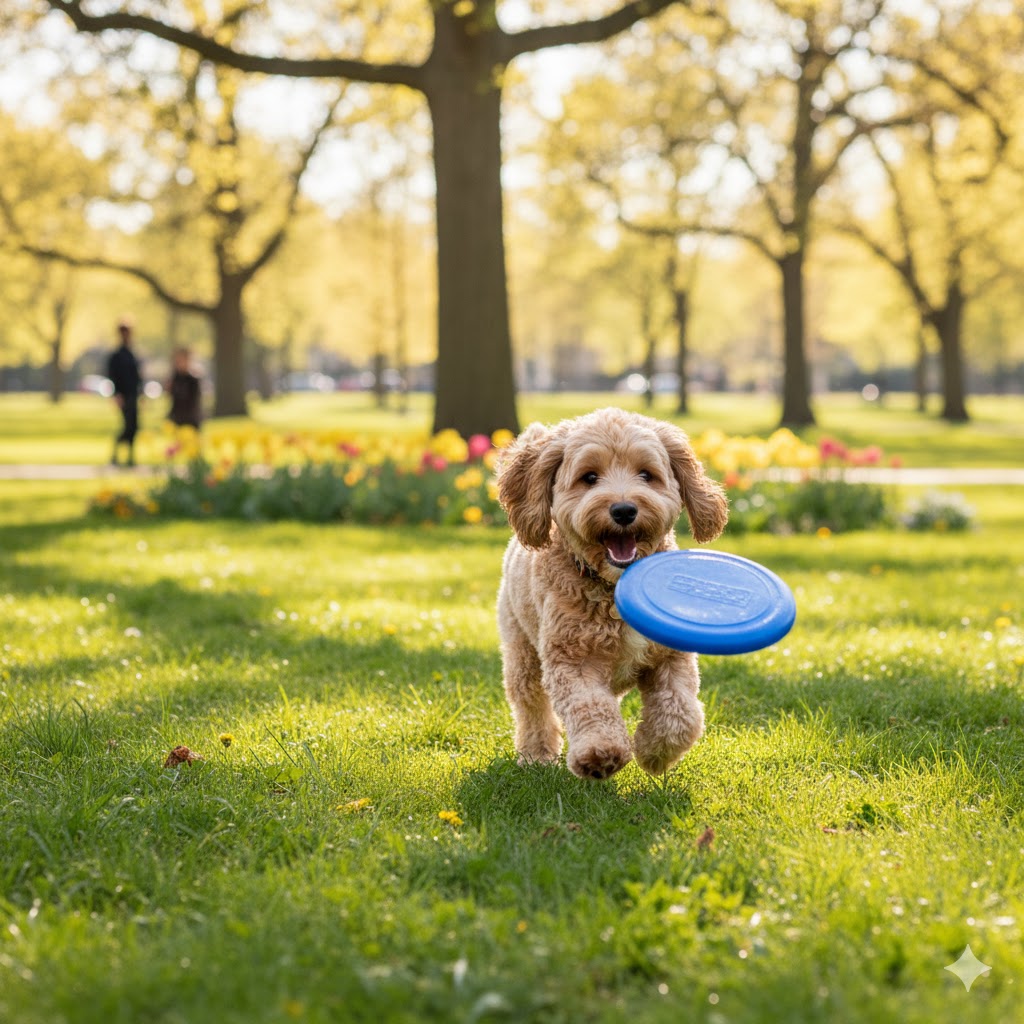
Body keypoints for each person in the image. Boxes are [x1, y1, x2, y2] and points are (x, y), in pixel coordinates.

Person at [106, 318, 142, 467]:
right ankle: (116, 452)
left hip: (133, 394)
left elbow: (137, 376)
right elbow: (113, 376)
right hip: (123, 394)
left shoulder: (133, 353)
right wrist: (117, 394)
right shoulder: (117, 355)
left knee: (135, 425)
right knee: (127, 425)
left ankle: (131, 457)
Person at [166, 347, 202, 429]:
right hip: (176, 419)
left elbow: (194, 402)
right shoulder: (174, 379)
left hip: (190, 420)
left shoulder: (192, 380)